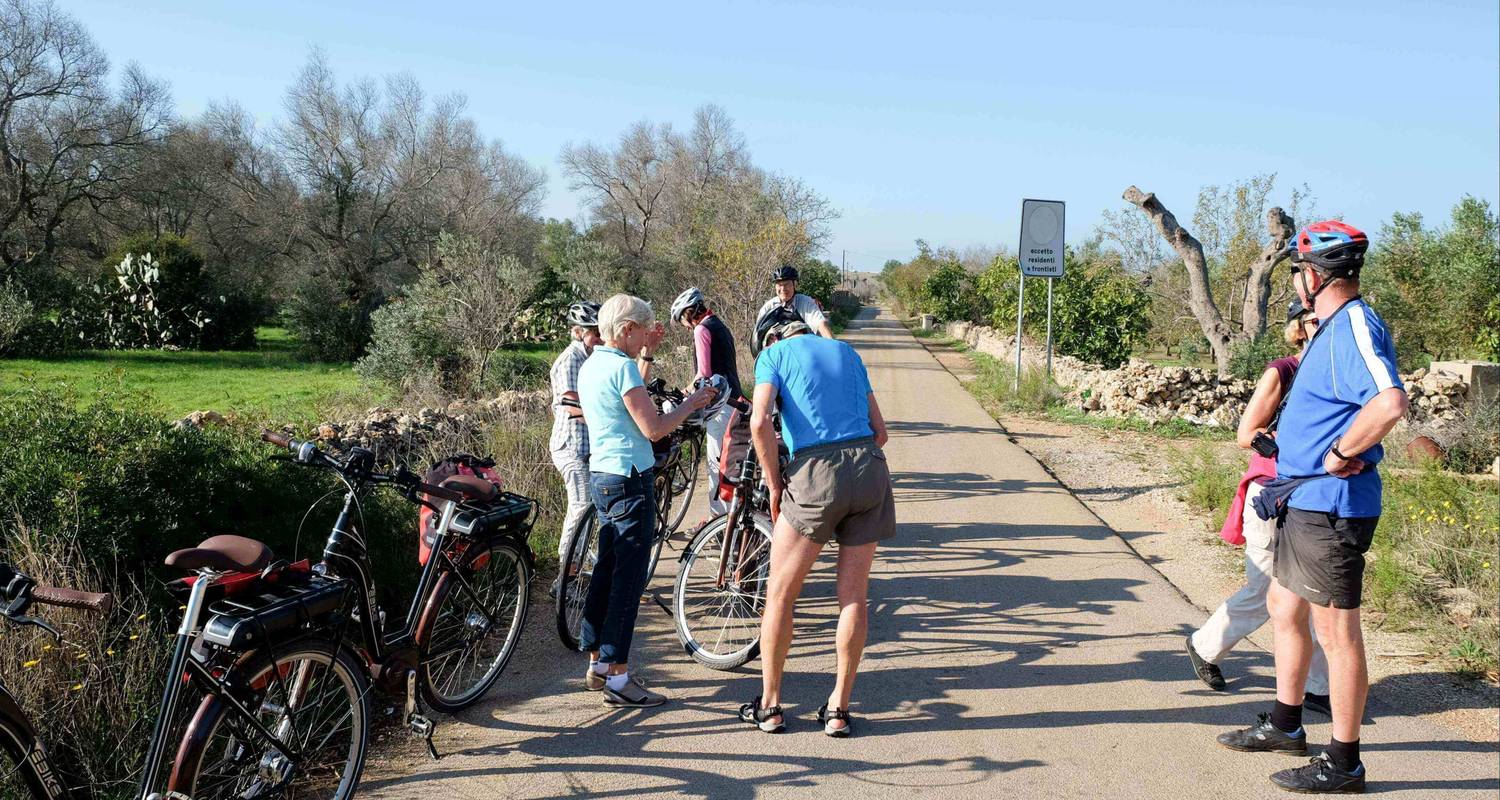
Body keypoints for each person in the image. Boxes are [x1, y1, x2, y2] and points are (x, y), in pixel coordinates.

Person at [1215, 221, 1408, 794]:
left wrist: (1339, 453)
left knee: (1337, 632)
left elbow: (1390, 402)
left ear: (1314, 275)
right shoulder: (1328, 329)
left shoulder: (1353, 325)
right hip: (1303, 501)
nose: (1298, 281)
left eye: (1300, 271)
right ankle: (1285, 723)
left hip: (1332, 506)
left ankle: (1344, 762)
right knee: (1282, 605)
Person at [739, 319, 894, 737]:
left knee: (780, 594)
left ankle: (770, 706)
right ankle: (838, 709)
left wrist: (776, 484)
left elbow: (759, 423)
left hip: (814, 472)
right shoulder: (846, 351)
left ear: (772, 338)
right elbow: (880, 431)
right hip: (868, 467)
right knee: (854, 596)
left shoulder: (773, 356)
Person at [1187, 298, 1330, 714]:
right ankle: (1205, 645)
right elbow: (1246, 433)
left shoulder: (1330, 373)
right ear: (1299, 327)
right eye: (1314, 320)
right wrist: (1288, 455)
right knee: (1267, 587)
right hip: (1270, 493)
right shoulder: (1281, 371)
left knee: (1314, 593)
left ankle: (1318, 686)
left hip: (1312, 496)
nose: (1322, 326)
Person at [576, 293, 716, 708]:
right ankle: (619, 678)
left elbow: (623, 402)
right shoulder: (622, 369)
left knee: (606, 569)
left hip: (602, 475)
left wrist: (648, 355)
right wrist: (692, 404)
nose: (644, 336)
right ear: (625, 329)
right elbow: (653, 428)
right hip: (631, 479)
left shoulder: (593, 365)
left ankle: (598, 660)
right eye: (641, 330)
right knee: (629, 580)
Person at [670, 287, 745, 517]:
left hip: (721, 405)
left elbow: (703, 374)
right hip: (736, 400)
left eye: (682, 318)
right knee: (730, 462)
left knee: (716, 465)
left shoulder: (701, 329)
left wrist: (684, 392)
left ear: (689, 312)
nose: (684, 325)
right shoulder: (719, 324)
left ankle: (719, 522)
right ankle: (730, 517)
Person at [549, 302, 602, 576]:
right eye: (594, 332)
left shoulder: (591, 358)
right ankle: (565, 573)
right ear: (579, 332)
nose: (600, 338)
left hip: (588, 446)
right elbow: (572, 404)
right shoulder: (571, 360)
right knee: (580, 505)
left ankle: (577, 563)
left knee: (589, 505)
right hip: (571, 446)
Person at [752, 265, 833, 354]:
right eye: (779, 285)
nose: (783, 289)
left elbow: (821, 324)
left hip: (803, 355)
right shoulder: (768, 307)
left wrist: (833, 347)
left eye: (787, 284)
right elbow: (757, 336)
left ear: (795, 285)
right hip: (775, 357)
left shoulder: (806, 302)